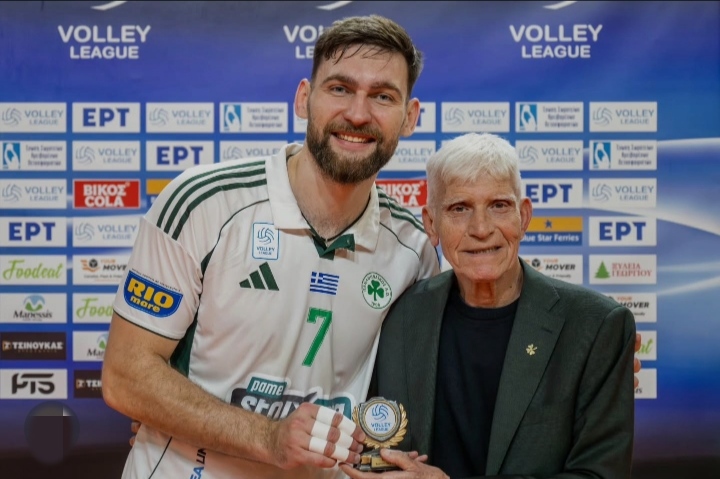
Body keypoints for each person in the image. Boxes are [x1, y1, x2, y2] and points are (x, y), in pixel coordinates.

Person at [102, 15, 440, 479]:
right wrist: (267, 437)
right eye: (339, 88)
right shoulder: (205, 203)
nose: (359, 114)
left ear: (410, 117)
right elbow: (125, 376)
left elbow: (404, 400)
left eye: (383, 96)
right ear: (304, 98)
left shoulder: (415, 249)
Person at [341, 133, 636, 479]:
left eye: (499, 205)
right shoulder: (399, 316)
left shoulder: (597, 327)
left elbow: (599, 475)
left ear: (523, 217)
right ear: (432, 225)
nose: (481, 228)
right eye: (459, 208)